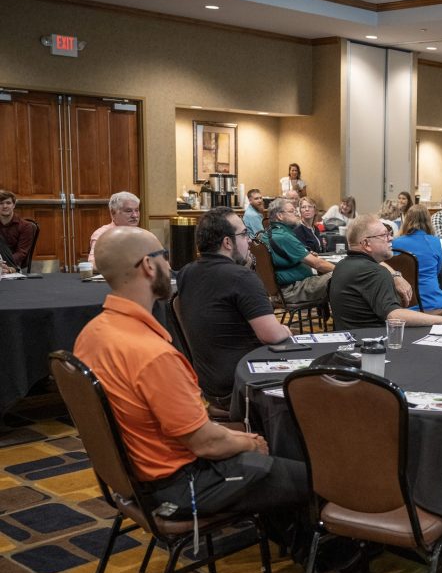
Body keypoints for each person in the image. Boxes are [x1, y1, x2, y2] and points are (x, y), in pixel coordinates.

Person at [74, 226, 307, 533]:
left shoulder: (91, 333)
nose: (170, 267)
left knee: (271, 461)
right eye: (164, 257)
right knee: (317, 477)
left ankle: (281, 532)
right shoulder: (153, 355)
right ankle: (321, 560)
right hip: (177, 487)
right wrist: (248, 441)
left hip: (132, 479)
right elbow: (206, 443)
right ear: (148, 265)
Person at [177, 208, 291, 409]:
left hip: (208, 386)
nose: (249, 241)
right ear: (227, 243)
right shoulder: (241, 277)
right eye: (244, 234)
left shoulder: (187, 272)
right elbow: (272, 336)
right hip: (243, 388)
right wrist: (285, 330)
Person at [330, 214, 442, 330]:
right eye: (384, 235)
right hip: (375, 342)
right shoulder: (375, 272)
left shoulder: (342, 266)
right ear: (366, 244)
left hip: (351, 339)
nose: (391, 238)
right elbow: (393, 316)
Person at [265, 198, 333, 302]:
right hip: (293, 289)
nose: (297, 214)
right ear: (280, 216)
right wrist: (342, 269)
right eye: (292, 211)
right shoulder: (284, 237)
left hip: (283, 289)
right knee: (340, 276)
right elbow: (318, 264)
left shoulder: (269, 234)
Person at [392, 204, 442, 313]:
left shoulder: (396, 242)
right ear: (428, 220)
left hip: (404, 300)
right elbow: (437, 270)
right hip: (432, 300)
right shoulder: (436, 242)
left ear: (407, 219)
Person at [88, 192, 141, 267]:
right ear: (113, 213)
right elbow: (92, 264)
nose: (135, 215)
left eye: (137, 210)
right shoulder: (102, 234)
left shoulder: (142, 234)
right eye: (128, 211)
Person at [0, 190, 34, 271]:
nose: (5, 206)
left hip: (13, 266)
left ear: (14, 205)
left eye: (8, 203)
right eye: (0, 203)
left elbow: (21, 252)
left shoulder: (25, 226)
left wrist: (4, 265)